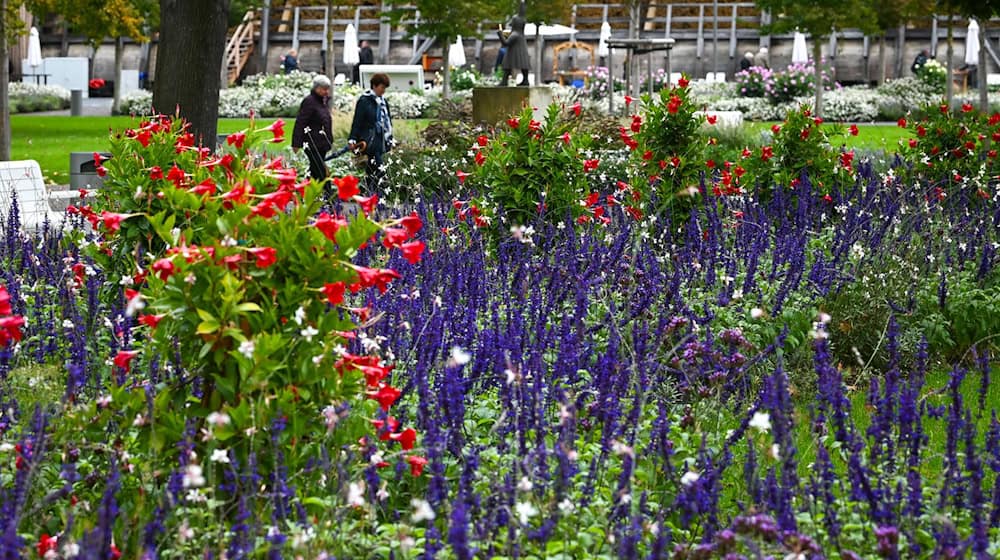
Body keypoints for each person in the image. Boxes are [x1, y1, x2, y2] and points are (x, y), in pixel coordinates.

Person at [349, 73, 395, 191]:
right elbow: (357, 120)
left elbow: (388, 121)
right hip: (369, 139)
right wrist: (353, 138)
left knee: (371, 167)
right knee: (379, 167)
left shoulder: (383, 102)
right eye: (382, 87)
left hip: (381, 139)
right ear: (374, 86)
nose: (383, 91)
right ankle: (380, 194)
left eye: (385, 88)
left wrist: (390, 137)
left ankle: (369, 192)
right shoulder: (364, 100)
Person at [292, 75, 333, 183]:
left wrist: (329, 141)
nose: (326, 92)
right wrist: (296, 143)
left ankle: (307, 192)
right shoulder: (309, 102)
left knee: (315, 172)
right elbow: (301, 122)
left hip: (321, 143)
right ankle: (328, 197)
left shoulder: (323, 102)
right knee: (321, 172)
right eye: (324, 89)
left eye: (327, 89)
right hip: (312, 143)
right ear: (317, 88)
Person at [498, 1, 530, 86]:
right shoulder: (520, 35)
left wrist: (500, 34)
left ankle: (504, 80)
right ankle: (525, 80)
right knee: (523, 64)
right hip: (520, 51)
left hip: (512, 53)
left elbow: (505, 43)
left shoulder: (515, 34)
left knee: (507, 64)